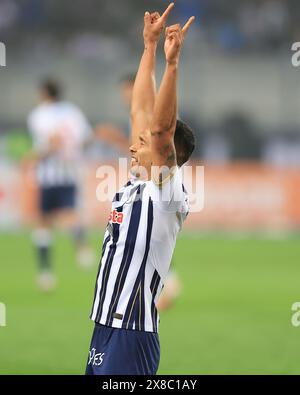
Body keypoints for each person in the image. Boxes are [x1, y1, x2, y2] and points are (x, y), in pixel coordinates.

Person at [86, 3, 195, 375]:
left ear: (166, 154)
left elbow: (162, 130)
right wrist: (148, 48)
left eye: (143, 143)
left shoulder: (168, 195)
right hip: (103, 328)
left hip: (132, 333)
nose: (134, 145)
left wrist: (173, 66)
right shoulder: (137, 180)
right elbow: (141, 114)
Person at [28, 79, 95, 291]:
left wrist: (34, 157)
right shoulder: (73, 112)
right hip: (70, 172)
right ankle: (82, 250)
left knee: (43, 223)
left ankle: (46, 273)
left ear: (43, 93)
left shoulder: (39, 114)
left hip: (49, 175)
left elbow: (52, 142)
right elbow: (87, 138)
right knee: (70, 213)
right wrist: (74, 151)